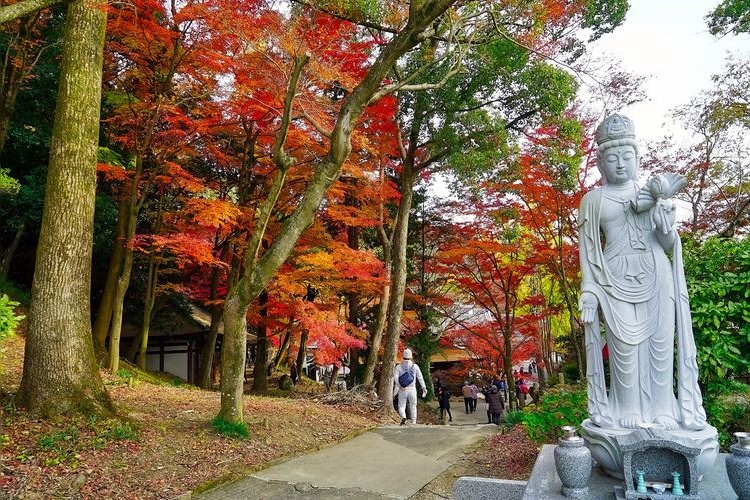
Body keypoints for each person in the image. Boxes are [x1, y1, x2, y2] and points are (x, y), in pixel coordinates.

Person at [579, 113, 708, 431]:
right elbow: (587, 250)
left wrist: (667, 227)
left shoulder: (654, 194)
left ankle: (663, 407)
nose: (620, 164)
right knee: (624, 347)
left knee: (660, 344)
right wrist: (589, 291)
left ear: (638, 158)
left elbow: (666, 242)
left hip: (656, 273)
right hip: (613, 279)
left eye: (626, 157)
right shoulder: (593, 201)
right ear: (600, 164)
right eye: (612, 158)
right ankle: (628, 407)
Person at [392, 348, 427, 425]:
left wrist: (399, 387)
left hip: (402, 389)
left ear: (403, 356)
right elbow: (420, 378)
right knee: (413, 405)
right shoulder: (415, 366)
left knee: (401, 406)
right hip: (412, 389)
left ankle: (403, 417)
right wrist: (424, 388)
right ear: (411, 357)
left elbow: (395, 378)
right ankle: (414, 421)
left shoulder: (398, 367)